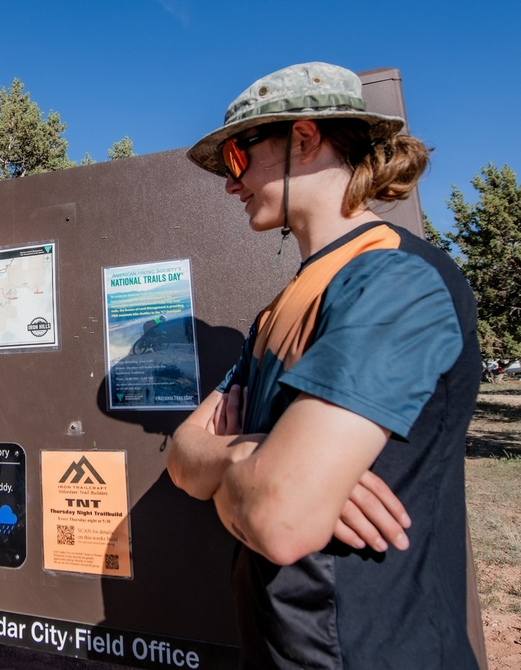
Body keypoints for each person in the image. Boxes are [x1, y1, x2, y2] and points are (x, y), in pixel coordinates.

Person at [167, 63, 482, 668]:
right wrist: (248, 455)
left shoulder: (394, 281)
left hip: (373, 648)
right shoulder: (277, 311)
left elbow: (278, 518)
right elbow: (184, 458)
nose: (231, 185)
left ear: (305, 139)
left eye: (237, 157)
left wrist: (243, 467)